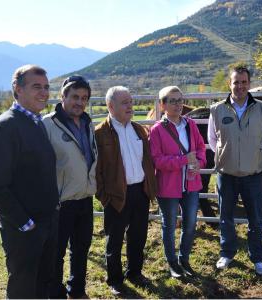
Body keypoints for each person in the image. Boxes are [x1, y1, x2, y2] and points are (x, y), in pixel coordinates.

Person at [0, 65, 59, 298]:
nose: (44, 92)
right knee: (24, 290)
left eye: (46, 87)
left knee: (43, 283)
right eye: (37, 86)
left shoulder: (36, 122)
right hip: (24, 230)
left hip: (46, 223)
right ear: (17, 89)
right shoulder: (6, 127)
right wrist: (27, 224)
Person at [208, 66, 262, 275]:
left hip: (252, 175)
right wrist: (225, 156)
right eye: (236, 82)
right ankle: (227, 252)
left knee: (255, 218)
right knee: (225, 216)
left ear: (249, 84)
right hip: (226, 175)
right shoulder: (217, 109)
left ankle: (257, 258)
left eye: (244, 82)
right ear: (230, 84)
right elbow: (212, 140)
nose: (240, 86)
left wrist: (254, 158)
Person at [95, 86, 157, 296]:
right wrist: (104, 197)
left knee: (138, 236)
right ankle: (114, 279)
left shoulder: (139, 130)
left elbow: (146, 161)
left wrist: (149, 187)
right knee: (114, 239)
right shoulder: (100, 133)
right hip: (116, 195)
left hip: (140, 191)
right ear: (110, 106)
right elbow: (97, 170)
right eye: (125, 103)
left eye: (130, 101)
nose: (130, 106)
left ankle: (135, 273)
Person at [42, 75, 97, 299]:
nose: (79, 102)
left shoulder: (87, 122)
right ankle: (55, 294)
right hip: (60, 202)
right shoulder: (47, 124)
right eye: (74, 96)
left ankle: (77, 290)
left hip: (85, 197)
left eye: (84, 98)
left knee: (81, 249)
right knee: (56, 253)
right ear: (62, 96)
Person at [149, 86, 206, 278]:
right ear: (163, 105)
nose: (178, 104)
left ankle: (184, 259)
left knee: (190, 223)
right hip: (168, 187)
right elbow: (156, 160)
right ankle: (172, 263)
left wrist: (199, 162)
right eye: (172, 101)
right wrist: (183, 160)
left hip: (191, 183)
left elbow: (200, 149)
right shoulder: (157, 130)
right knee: (169, 225)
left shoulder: (191, 124)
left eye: (180, 100)